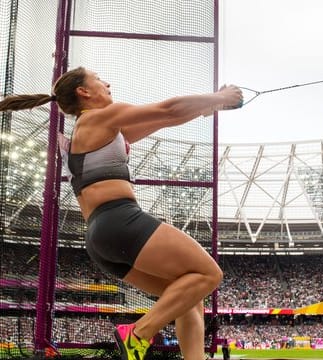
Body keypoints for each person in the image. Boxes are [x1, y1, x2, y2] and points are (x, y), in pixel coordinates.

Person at [0, 66, 243, 360]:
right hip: (119, 220)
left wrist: (213, 105)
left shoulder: (98, 129)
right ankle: (138, 334)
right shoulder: (100, 117)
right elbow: (168, 107)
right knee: (208, 273)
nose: (108, 82)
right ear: (84, 91)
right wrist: (218, 96)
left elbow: (168, 118)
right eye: (99, 79)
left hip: (102, 237)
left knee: (188, 294)